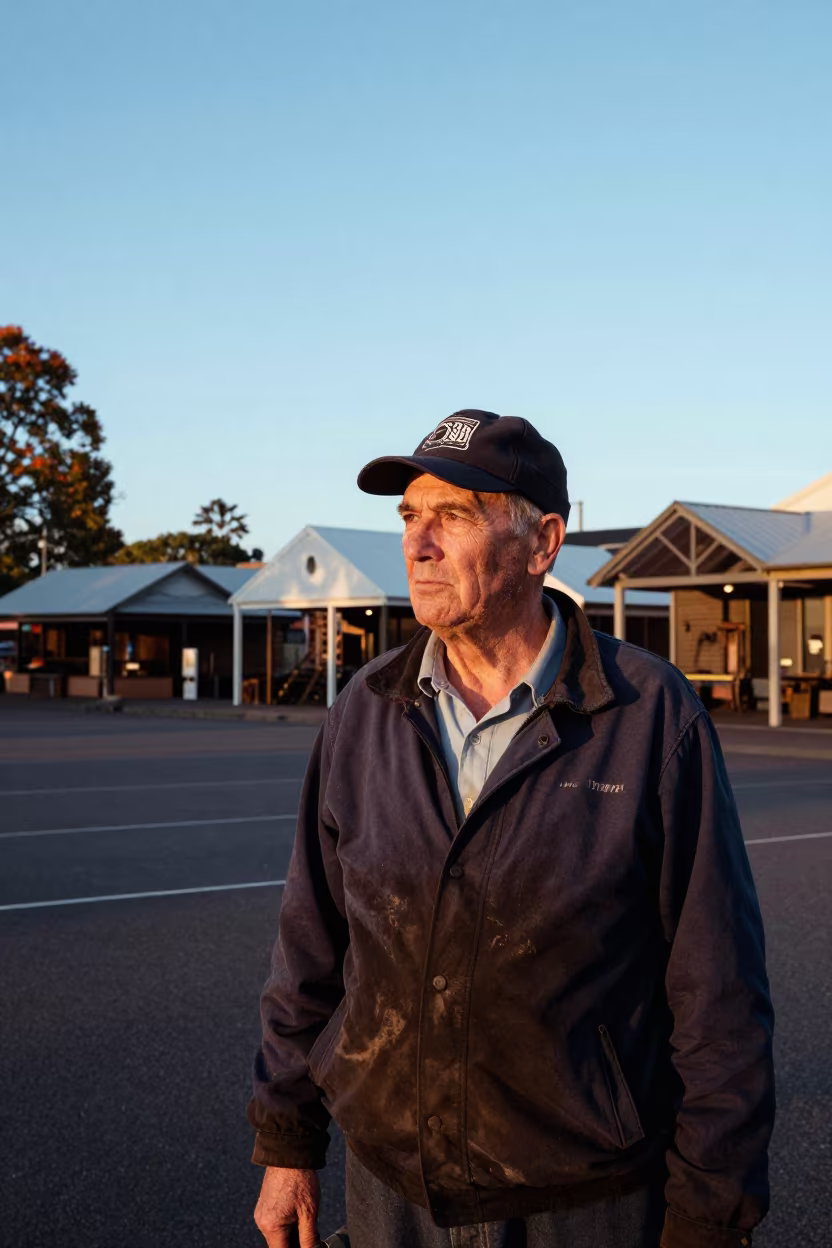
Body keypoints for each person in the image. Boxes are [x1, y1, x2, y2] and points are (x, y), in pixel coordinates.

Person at [249, 411, 775, 1248]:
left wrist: (711, 1215)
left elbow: (718, 992)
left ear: (542, 544)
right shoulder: (365, 712)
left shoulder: (647, 716)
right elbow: (311, 948)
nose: (417, 544)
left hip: (582, 1198)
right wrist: (287, 1142)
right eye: (408, 517)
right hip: (392, 1194)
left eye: (452, 516)